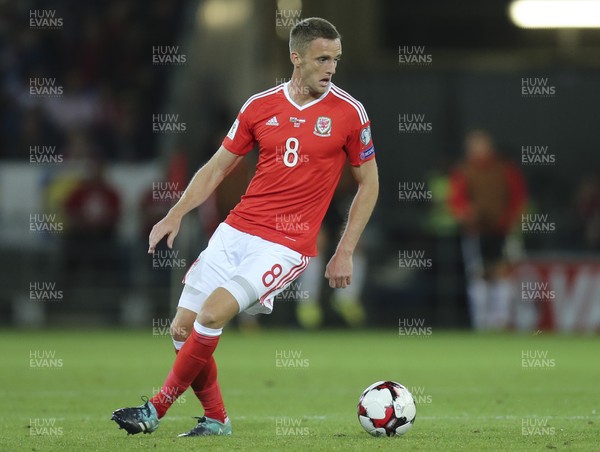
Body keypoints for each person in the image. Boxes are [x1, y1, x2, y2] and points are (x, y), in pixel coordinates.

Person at [111, 17, 378, 438]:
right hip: (235, 231)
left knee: (213, 312)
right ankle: (216, 420)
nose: (331, 68)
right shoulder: (259, 106)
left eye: (336, 59)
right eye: (322, 58)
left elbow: (370, 184)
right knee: (181, 327)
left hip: (284, 246)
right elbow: (218, 167)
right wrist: (176, 212)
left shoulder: (349, 112)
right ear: (296, 58)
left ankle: (155, 409)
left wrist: (344, 248)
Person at [448, 130, 526, 330]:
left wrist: (510, 220)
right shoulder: (464, 170)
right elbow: (456, 200)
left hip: (502, 229)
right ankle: (481, 321)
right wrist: (465, 213)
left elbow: (518, 197)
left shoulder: (504, 169)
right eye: (473, 146)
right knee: (477, 273)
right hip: (475, 231)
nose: (477, 150)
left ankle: (500, 320)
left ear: (489, 146)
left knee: (501, 272)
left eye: (480, 145)